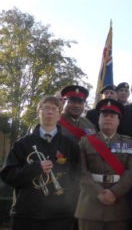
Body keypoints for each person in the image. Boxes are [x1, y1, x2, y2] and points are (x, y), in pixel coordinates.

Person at [0, 96, 80, 230]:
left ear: (59, 115)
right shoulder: (22, 144)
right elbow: (7, 174)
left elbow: (78, 177)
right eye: (46, 108)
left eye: (55, 109)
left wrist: (70, 205)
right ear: (38, 113)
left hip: (60, 217)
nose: (50, 112)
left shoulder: (70, 145)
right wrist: (35, 168)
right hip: (26, 215)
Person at [75, 99, 132, 230]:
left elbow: (131, 172)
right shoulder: (85, 142)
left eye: (112, 116)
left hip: (118, 206)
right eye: (104, 115)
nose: (108, 119)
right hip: (90, 205)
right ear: (98, 119)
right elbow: (81, 171)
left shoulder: (129, 142)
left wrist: (114, 193)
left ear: (118, 121)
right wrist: (98, 193)